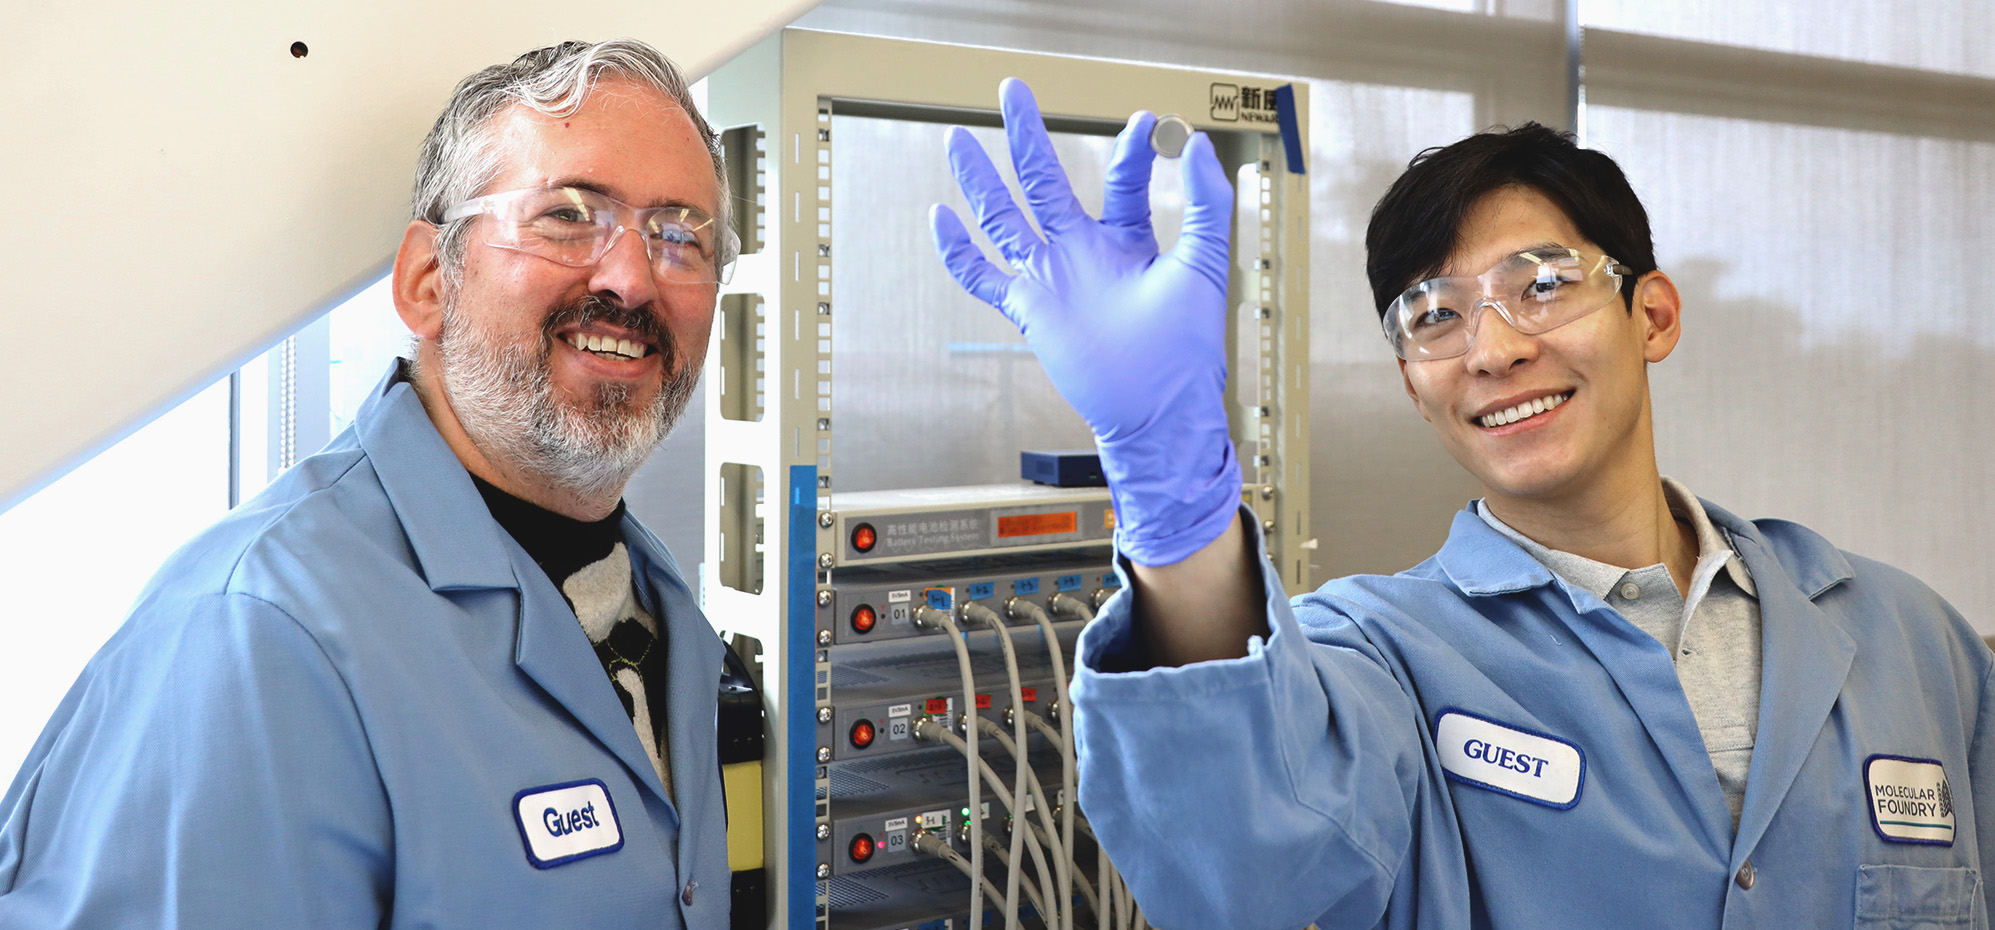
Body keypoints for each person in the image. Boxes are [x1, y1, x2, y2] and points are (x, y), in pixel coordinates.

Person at [932, 79, 1994, 928]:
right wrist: (1169, 488)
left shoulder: (1913, 643)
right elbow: (1237, 876)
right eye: (1434, 315)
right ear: (1411, 383)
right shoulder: (1380, 656)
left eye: (1543, 282)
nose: (1492, 349)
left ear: (1654, 313)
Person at [0, 39, 740, 928]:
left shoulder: (659, 613)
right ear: (429, 283)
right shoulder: (263, 633)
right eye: (568, 215)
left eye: (678, 235)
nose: (630, 275)